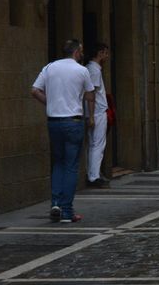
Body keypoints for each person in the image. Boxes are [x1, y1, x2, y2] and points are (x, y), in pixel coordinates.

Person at [31, 39, 95, 224]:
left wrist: (50, 103)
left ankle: (56, 204)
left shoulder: (49, 68)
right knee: (71, 165)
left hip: (54, 122)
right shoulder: (82, 70)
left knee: (58, 163)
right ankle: (67, 211)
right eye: (81, 50)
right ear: (77, 51)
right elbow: (90, 94)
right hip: (73, 121)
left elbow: (34, 90)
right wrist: (91, 116)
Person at [85, 43, 110, 188]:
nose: (107, 56)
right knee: (97, 144)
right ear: (100, 53)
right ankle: (93, 176)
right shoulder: (94, 70)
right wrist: (92, 115)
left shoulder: (91, 69)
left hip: (95, 111)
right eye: (105, 53)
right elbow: (91, 93)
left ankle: (92, 173)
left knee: (93, 143)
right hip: (97, 111)